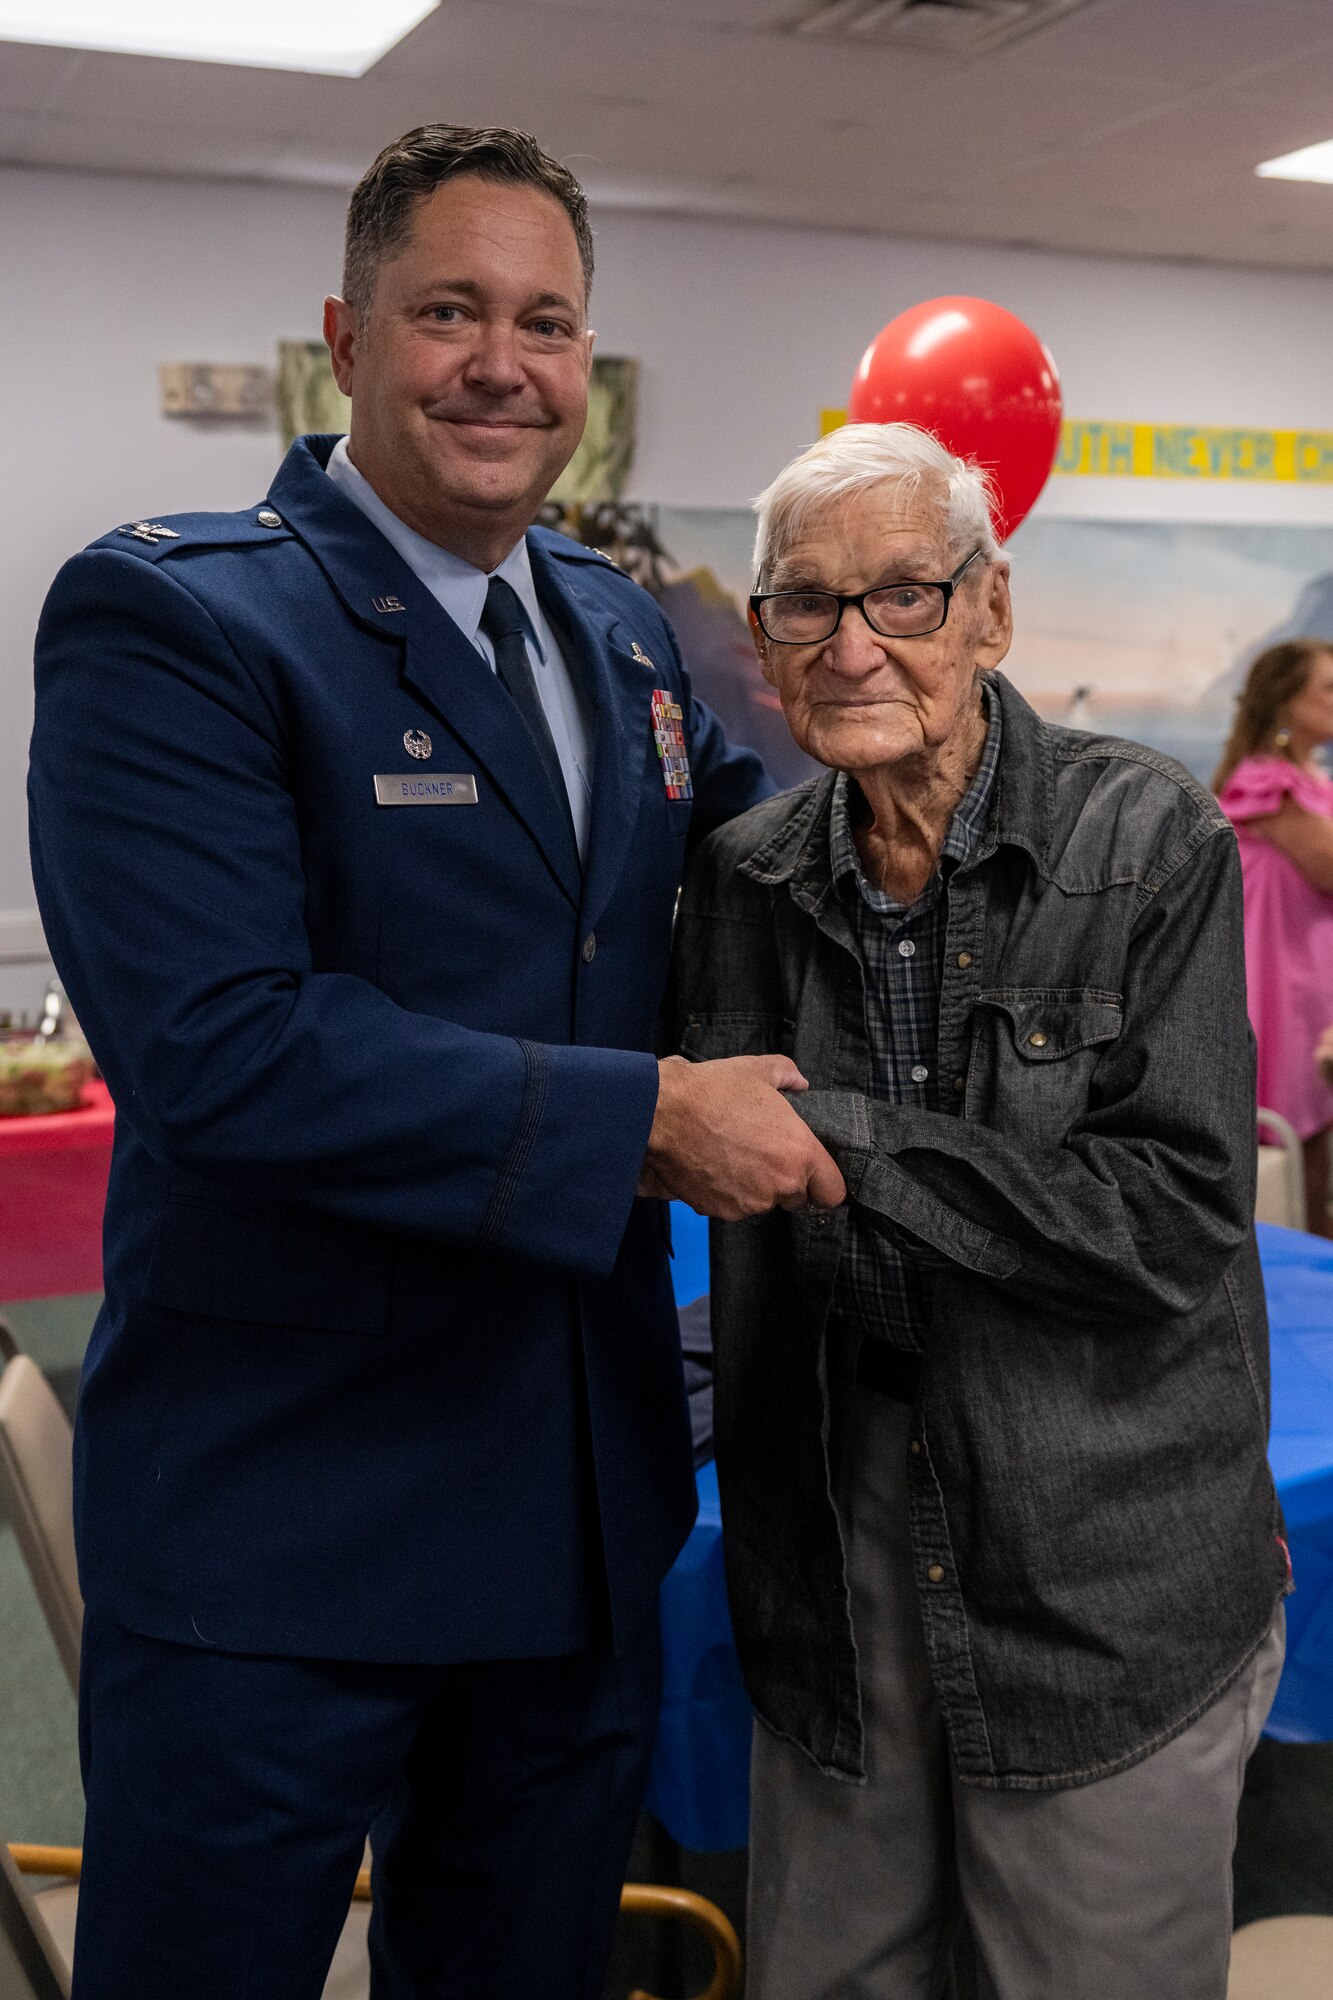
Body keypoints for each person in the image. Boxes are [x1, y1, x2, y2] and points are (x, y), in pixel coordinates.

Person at [27, 124, 844, 2000]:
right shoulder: (179, 618)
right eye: (449, 311)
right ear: (344, 335)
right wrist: (647, 1119)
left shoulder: (618, 630)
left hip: (566, 1519)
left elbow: (758, 886)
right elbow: (222, 1052)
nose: (502, 363)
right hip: (281, 1538)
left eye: (546, 321)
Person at [667, 422, 1289, 2000]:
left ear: (991, 611)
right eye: (807, 606)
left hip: (1097, 1549)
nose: (853, 643)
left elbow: (1167, 1219)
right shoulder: (741, 878)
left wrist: (838, 1139)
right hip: (832, 1531)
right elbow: (744, 1227)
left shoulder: (1147, 840)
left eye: (903, 595)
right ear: (763, 642)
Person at [1215, 640, 1333, 1235]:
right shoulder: (1267, 781)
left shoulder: (1306, 778)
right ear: (1286, 701)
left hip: (1315, 980)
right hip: (1287, 987)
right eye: (1328, 688)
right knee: (1301, 1146)